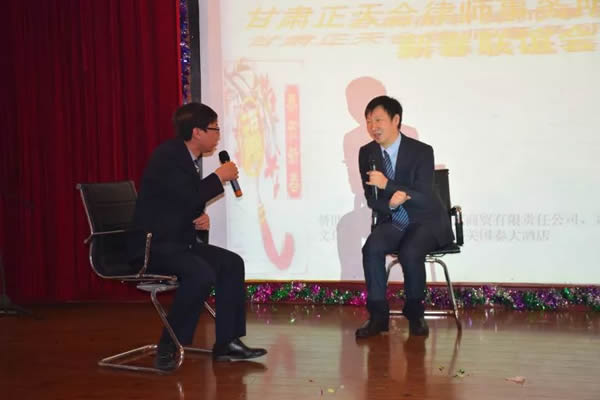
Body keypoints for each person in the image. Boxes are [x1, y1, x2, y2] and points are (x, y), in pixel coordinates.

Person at [131, 102, 267, 370]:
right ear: (197, 132)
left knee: (231, 263)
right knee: (200, 274)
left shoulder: (188, 159)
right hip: (154, 246)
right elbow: (186, 197)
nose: (218, 135)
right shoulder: (168, 156)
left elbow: (179, 203)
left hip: (180, 242)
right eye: (215, 129)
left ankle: (228, 343)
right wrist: (219, 177)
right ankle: (169, 346)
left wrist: (197, 219)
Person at [356, 96, 453, 338]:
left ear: (396, 120)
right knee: (372, 248)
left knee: (411, 252)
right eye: (369, 121)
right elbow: (371, 198)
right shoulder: (367, 153)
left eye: (378, 120)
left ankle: (415, 314)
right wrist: (388, 203)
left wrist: (387, 184)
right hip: (394, 219)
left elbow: (423, 195)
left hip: (425, 220)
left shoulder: (422, 151)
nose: (373, 127)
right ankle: (378, 317)